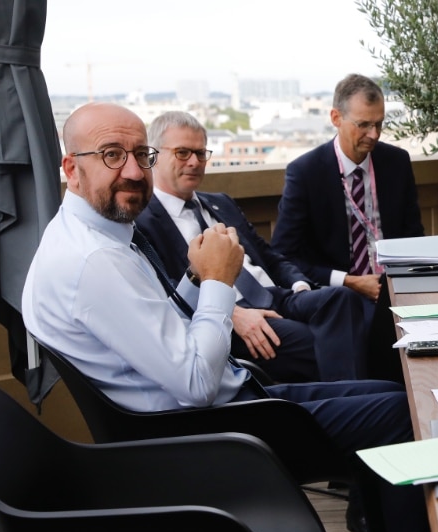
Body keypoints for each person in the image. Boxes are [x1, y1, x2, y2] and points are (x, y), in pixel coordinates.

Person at [22, 103, 437, 532]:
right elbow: (195, 383)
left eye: (139, 154)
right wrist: (218, 282)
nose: (132, 170)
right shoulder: (96, 261)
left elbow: (158, 335)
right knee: (400, 417)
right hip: (212, 437)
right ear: (70, 168)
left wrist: (196, 279)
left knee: (395, 400)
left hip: (217, 412)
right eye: (111, 155)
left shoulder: (86, 238)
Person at [136, 111, 373, 383]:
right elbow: (169, 293)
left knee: (342, 298)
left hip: (278, 295)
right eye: (182, 153)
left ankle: (359, 400)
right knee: (334, 341)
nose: (194, 162)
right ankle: (358, 403)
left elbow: (269, 256)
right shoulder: (143, 222)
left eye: (201, 153)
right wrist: (232, 312)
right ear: (154, 155)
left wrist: (299, 285)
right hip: (236, 315)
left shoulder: (219, 202)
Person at [272, 73, 423, 383]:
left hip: (397, 290)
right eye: (363, 124)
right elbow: (284, 256)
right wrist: (350, 282)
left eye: (379, 124)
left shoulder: (396, 162)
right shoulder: (305, 172)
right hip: (344, 298)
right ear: (335, 118)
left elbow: (414, 235)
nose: (374, 134)